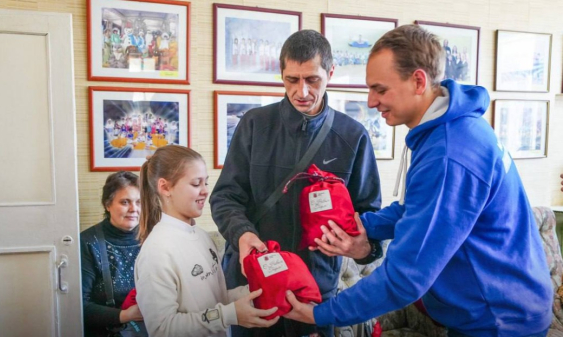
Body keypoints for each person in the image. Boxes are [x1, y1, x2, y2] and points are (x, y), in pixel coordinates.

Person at [284, 24, 553, 337]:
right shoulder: (451, 130)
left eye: (380, 89)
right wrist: (363, 225)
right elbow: (416, 208)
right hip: (494, 311)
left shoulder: (450, 154)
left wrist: (320, 314)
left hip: (498, 323)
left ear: (418, 81)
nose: (371, 101)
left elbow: (405, 278)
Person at [210, 29, 382, 337]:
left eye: (312, 79)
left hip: (315, 289)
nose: (301, 91)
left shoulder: (353, 136)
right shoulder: (254, 125)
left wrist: (363, 248)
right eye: (292, 79)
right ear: (281, 74)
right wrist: (242, 234)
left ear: (330, 72)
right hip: (255, 286)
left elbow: (369, 215)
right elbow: (224, 197)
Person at [134, 145, 279, 337]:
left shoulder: (202, 236)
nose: (205, 192)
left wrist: (255, 291)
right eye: (196, 184)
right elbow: (162, 329)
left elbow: (214, 299)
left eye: (206, 183)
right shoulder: (156, 251)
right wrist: (229, 315)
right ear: (165, 187)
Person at [80, 171, 144, 336]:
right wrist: (124, 316)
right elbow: (79, 305)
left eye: (139, 202)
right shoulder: (87, 242)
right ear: (107, 205)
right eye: (125, 202)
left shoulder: (153, 238)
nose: (134, 209)